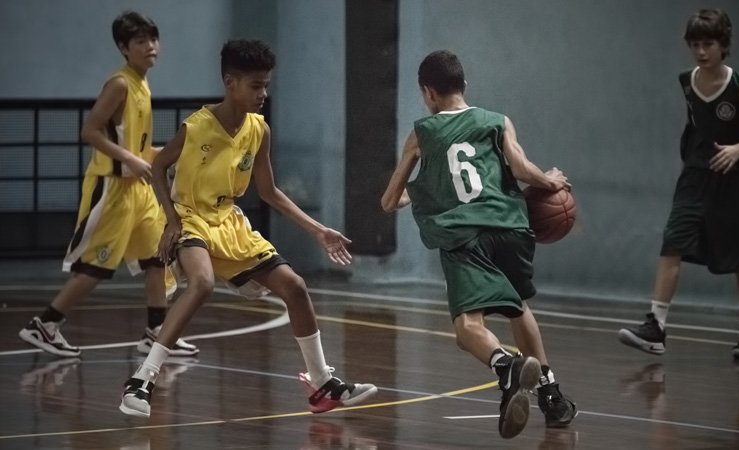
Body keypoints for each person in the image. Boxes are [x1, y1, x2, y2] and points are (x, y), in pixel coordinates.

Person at [119, 39, 377, 418]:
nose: (263, 93)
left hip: (229, 221)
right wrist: (171, 220)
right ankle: (142, 379)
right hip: (190, 217)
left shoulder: (259, 130)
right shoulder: (197, 126)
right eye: (256, 86)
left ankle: (322, 383)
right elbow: (158, 167)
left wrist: (318, 230)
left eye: (266, 85)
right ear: (230, 83)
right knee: (202, 283)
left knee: (296, 287)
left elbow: (270, 192)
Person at [381, 50, 577, 439]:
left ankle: (506, 366)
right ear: (464, 85)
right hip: (511, 227)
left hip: (465, 236)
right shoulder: (497, 121)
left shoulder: (423, 132)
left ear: (427, 93)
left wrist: (408, 197)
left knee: (467, 328)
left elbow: (389, 200)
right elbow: (521, 169)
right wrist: (550, 181)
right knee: (518, 307)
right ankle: (552, 396)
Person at [18, 11, 197, 359]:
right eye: (141, 41)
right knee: (95, 267)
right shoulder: (120, 83)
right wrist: (129, 159)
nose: (151, 47)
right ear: (123, 48)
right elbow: (90, 131)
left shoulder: (143, 83)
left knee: (157, 258)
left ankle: (157, 331)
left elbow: (138, 147)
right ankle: (45, 324)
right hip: (112, 187)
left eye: (153, 39)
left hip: (139, 190)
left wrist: (167, 155)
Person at [618, 8, 739, 360]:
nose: (702, 51)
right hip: (696, 179)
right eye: (695, 45)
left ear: (723, 44)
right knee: (673, 243)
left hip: (737, 182)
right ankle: (655, 325)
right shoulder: (687, 81)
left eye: (709, 44)